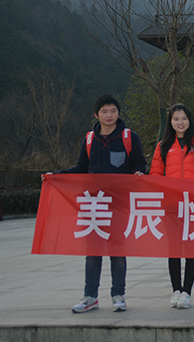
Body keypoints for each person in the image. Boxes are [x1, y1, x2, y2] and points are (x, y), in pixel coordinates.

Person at [44, 95, 147, 313]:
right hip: (94, 204)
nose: (109, 115)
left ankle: (118, 295)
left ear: (118, 113)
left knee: (117, 251)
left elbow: (139, 163)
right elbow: (81, 169)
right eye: (104, 111)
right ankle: (90, 296)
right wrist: (57, 176)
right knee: (93, 252)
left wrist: (139, 172)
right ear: (96, 114)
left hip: (119, 204)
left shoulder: (129, 137)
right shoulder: (90, 139)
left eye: (113, 111)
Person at [149, 104, 194, 310]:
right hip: (171, 205)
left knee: (191, 248)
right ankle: (176, 290)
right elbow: (155, 173)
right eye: (176, 119)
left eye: (184, 118)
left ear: (190, 120)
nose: (180, 123)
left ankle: (187, 291)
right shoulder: (163, 145)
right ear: (170, 122)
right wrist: (166, 189)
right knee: (173, 248)